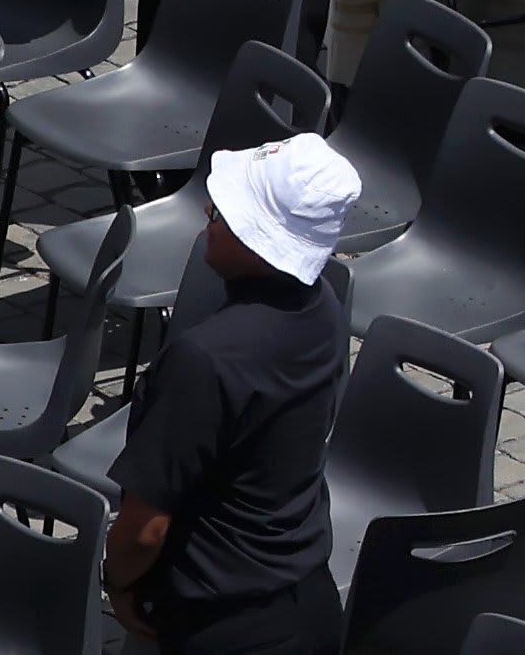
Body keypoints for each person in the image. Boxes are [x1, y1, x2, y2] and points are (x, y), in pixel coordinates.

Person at [105, 135, 361, 655]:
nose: (207, 212)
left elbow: (145, 529)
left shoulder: (205, 359)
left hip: (222, 628)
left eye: (223, 212)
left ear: (258, 238)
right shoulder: (326, 309)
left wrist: (119, 581)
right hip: (306, 605)